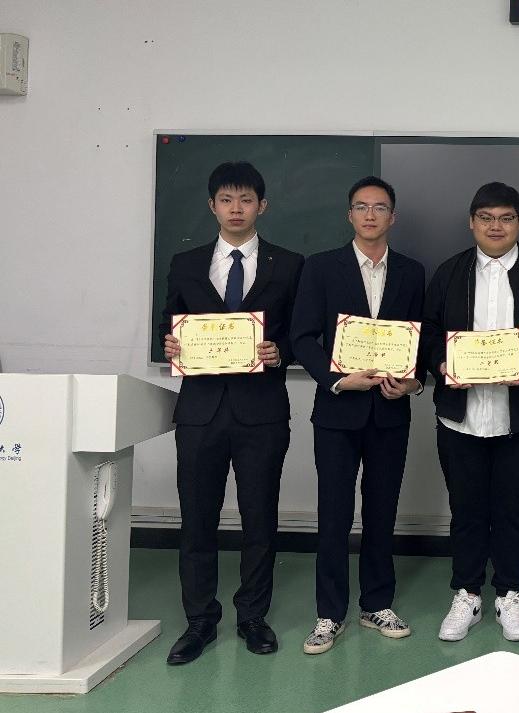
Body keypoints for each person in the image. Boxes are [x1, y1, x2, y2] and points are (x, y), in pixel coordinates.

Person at [160, 161, 304, 664]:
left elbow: (304, 332)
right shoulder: (185, 263)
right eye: (226, 200)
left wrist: (281, 351)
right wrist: (170, 343)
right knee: (196, 520)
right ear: (212, 206)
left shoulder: (290, 264)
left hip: (261, 412)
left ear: (262, 205)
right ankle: (200, 620)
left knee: (259, 518)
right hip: (200, 411)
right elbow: (167, 327)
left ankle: (252, 617)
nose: (236, 209)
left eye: (245, 200)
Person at [290, 176, 427, 654]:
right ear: (349, 215)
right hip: (337, 412)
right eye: (362, 207)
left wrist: (413, 382)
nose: (370, 215)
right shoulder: (321, 267)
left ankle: (377, 604)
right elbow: (302, 337)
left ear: (393, 216)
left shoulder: (412, 272)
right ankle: (329, 614)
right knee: (333, 515)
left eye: (380, 207)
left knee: (382, 512)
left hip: (390, 411)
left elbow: (422, 341)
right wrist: (336, 379)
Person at [423, 182, 519, 643]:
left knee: (513, 508)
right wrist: (442, 363)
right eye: (486, 218)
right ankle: (467, 594)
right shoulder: (449, 272)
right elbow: (428, 333)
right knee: (465, 509)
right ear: (471, 222)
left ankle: (509, 593)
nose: (495, 226)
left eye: (505, 218)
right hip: (460, 416)